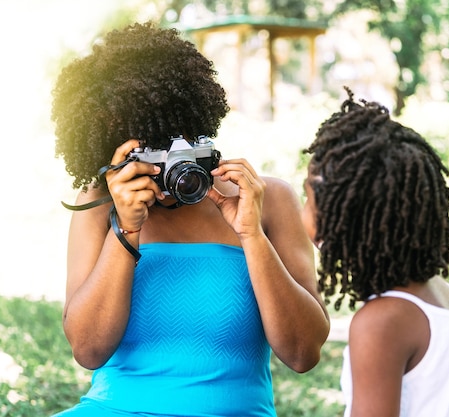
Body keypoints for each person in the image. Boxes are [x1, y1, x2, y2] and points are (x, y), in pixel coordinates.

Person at [50, 22, 329, 417]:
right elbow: (88, 349)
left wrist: (250, 235)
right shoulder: (99, 203)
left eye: (170, 143)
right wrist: (126, 228)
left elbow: (304, 353)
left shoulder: (270, 199)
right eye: (142, 152)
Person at [301, 88, 449, 417]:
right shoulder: (443, 295)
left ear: (345, 217)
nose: (303, 215)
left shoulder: (381, 323)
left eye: (308, 199)